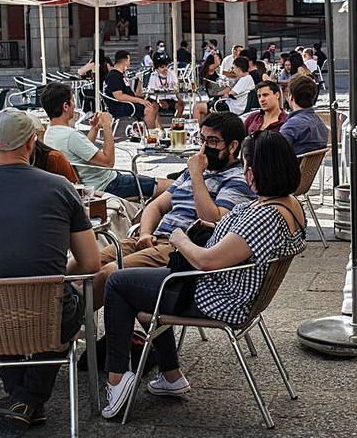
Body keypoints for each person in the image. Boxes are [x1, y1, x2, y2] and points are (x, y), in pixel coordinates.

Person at [101, 130, 306, 417]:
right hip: (232, 291)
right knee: (146, 283)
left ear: (261, 171)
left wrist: (180, 239)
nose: (245, 172)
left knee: (118, 282)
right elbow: (238, 243)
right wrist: (212, 230)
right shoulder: (290, 205)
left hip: (216, 297)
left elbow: (207, 261)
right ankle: (171, 376)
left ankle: (118, 378)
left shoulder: (265, 216)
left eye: (248, 166)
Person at [0, 109, 100, 425]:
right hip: (51, 315)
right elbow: (90, 263)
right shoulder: (62, 187)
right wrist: (52, 273)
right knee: (62, 307)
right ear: (31, 143)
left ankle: (21, 399)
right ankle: (27, 400)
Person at [79, 111, 254, 310]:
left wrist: (197, 176)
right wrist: (145, 232)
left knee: (109, 273)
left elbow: (213, 221)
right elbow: (157, 205)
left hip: (180, 249)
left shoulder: (237, 180)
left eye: (213, 141)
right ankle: (54, 317)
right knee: (86, 263)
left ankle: (65, 328)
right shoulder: (193, 170)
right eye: (202, 139)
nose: (204, 148)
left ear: (233, 146)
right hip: (151, 238)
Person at [42, 83, 170, 200]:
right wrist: (107, 127)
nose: (74, 105)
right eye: (73, 101)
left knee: (158, 183)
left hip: (94, 183)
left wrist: (95, 128)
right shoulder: (71, 135)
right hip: (107, 185)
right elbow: (108, 162)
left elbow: (82, 149)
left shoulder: (50, 133)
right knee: (172, 187)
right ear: (65, 106)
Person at [106, 50, 160, 129]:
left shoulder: (121, 75)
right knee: (150, 108)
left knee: (154, 104)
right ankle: (151, 135)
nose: (130, 62)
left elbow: (135, 94)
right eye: (129, 60)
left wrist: (140, 81)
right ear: (126, 59)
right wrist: (140, 100)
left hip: (127, 103)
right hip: (119, 106)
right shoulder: (114, 75)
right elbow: (119, 96)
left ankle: (154, 130)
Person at [279, 75, 330, 156]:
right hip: (308, 168)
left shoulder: (291, 126)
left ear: (291, 97)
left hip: (291, 167)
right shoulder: (321, 124)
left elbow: (276, 155)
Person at [193, 56, 254, 121]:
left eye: (234, 68)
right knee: (203, 110)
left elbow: (230, 94)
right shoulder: (247, 78)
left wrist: (225, 93)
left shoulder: (244, 80)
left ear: (238, 68)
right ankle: (202, 129)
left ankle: (197, 130)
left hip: (231, 108)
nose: (233, 70)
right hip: (235, 106)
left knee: (197, 107)